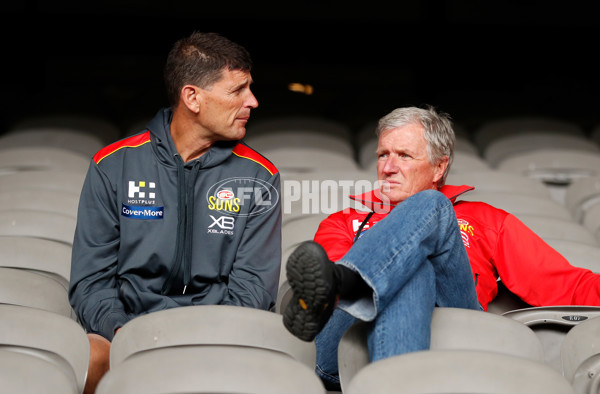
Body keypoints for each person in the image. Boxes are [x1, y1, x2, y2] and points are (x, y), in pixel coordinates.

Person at [282, 105, 600, 390]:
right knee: (410, 265)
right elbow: (320, 282)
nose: (388, 167)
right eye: (383, 155)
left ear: (439, 167)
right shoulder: (343, 221)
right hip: (346, 348)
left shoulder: (487, 221)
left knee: (428, 222)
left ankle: (346, 284)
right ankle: (343, 285)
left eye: (404, 155)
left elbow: (567, 284)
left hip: (458, 338)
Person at [69, 32, 282, 393]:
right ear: (192, 97)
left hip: (217, 334)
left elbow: (253, 289)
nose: (253, 101)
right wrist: (125, 332)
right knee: (90, 355)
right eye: (238, 90)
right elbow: (90, 282)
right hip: (128, 330)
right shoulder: (112, 165)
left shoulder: (260, 175)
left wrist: (198, 338)